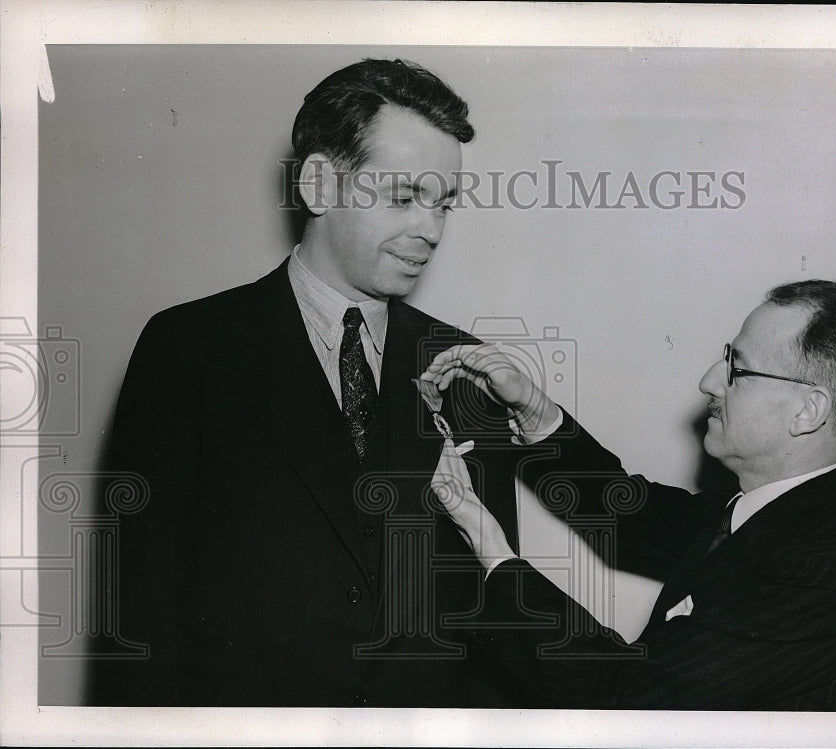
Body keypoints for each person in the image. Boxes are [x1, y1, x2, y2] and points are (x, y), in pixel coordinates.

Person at [86, 59, 539, 707]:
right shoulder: (189, 349)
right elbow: (138, 611)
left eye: (443, 204)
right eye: (405, 196)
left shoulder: (468, 369)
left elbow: (497, 618)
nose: (431, 230)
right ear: (321, 183)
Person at [424, 280, 836, 711]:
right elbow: (631, 515)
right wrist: (533, 409)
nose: (710, 381)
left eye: (739, 368)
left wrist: (491, 551)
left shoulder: (819, 574)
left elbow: (627, 696)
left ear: (808, 410)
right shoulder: (771, 513)